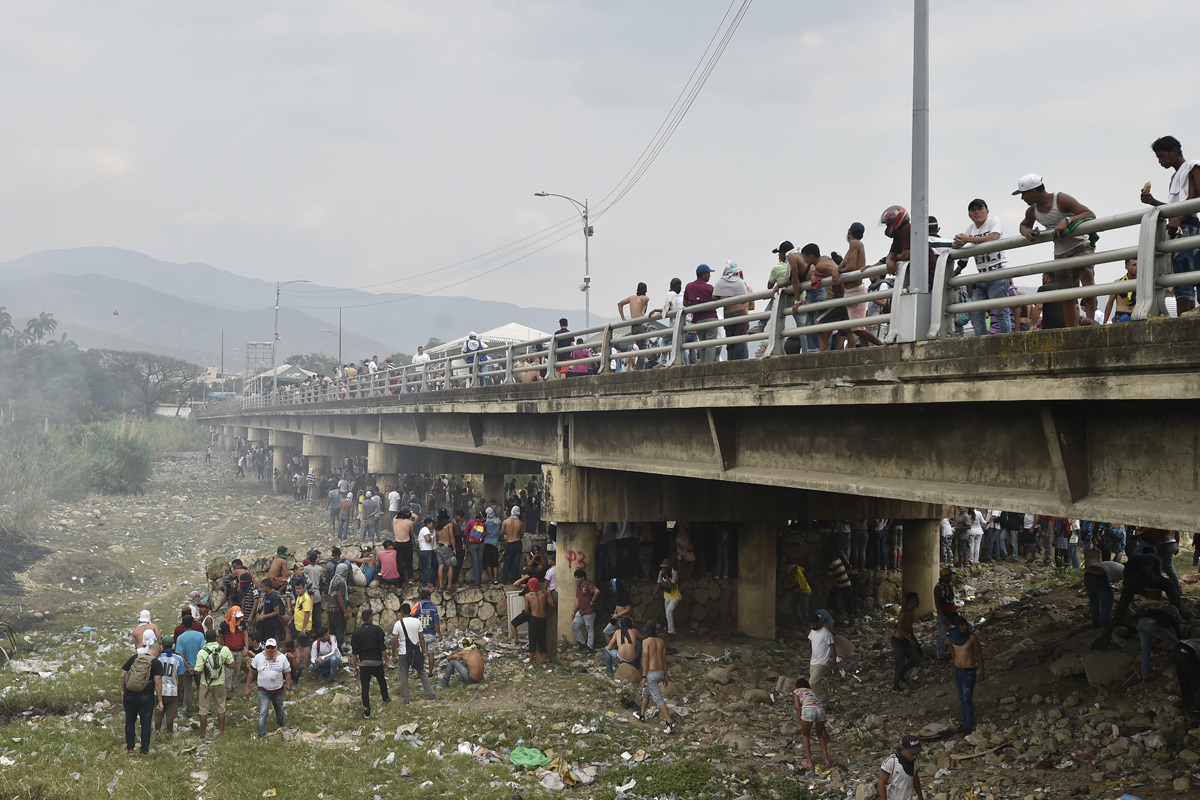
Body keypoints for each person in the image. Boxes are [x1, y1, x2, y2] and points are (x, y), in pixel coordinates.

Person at [1016, 174, 1097, 328]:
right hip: (1061, 252)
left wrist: (1067, 220)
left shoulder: (1060, 199)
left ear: (1033, 191)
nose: (1022, 198)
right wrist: (1027, 232)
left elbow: (1089, 214)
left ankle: (1090, 318)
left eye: (1023, 194)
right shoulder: (1032, 211)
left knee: (1087, 274)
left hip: (1081, 244)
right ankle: (1070, 328)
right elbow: (1023, 225)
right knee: (1066, 292)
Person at [1142, 136, 1200, 314]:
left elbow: (1195, 200)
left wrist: (1179, 217)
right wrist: (1153, 202)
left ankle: (1186, 319)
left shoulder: (1193, 166)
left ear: (1174, 151)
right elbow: (1176, 207)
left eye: (1162, 156)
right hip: (1180, 227)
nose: (1160, 161)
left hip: (1189, 226)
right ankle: (1187, 317)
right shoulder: (1176, 175)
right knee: (1182, 279)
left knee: (1187, 278)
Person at [953, 199, 1011, 335]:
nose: (977, 212)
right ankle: (982, 342)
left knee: (1001, 311)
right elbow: (966, 252)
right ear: (969, 214)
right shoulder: (970, 229)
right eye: (973, 210)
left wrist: (968, 239)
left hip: (999, 273)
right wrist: (957, 247)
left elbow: (994, 237)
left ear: (987, 211)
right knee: (975, 311)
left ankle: (1007, 342)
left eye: (980, 208)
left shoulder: (994, 221)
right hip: (982, 276)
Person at [121, 641, 164, 755]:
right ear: (157, 652)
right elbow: (158, 683)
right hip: (146, 697)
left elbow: (122, 675)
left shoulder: (135, 658)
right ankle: (144, 751)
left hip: (129, 695)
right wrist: (160, 701)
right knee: (146, 724)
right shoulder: (156, 663)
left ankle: (130, 748)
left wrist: (123, 691)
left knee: (130, 722)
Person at [391, 602, 438, 704]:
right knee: (422, 672)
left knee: (404, 674)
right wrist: (424, 651)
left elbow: (395, 642)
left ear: (402, 612)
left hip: (403, 652)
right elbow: (421, 638)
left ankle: (406, 699)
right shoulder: (417, 622)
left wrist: (393, 655)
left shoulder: (398, 624)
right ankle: (431, 694)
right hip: (416, 651)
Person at [634, 621, 676, 733]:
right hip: (660, 672)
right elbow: (664, 660)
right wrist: (665, 676)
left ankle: (670, 723)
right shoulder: (661, 641)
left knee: (658, 699)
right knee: (646, 693)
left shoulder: (646, 642)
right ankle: (642, 714)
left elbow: (646, 659)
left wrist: (644, 676)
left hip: (651, 673)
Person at [245, 637, 292, 738]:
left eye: (272, 648)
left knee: (279, 709)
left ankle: (282, 726)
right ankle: (261, 734)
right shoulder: (259, 657)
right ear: (265, 647)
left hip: (278, 690)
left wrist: (288, 689)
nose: (270, 650)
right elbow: (251, 672)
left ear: (276, 647)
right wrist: (247, 687)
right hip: (264, 691)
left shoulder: (282, 658)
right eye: (268, 647)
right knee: (263, 711)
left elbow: (287, 673)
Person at [947, 615, 984, 734]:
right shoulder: (952, 637)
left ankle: (969, 724)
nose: (964, 627)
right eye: (961, 625)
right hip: (958, 671)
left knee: (967, 698)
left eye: (965, 625)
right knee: (962, 698)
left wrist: (982, 670)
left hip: (969, 671)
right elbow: (951, 649)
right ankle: (965, 722)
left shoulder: (971, 637)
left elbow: (978, 653)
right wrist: (955, 659)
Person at [194, 629, 234, 738]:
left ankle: (203, 734)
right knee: (221, 707)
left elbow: (198, 671)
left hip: (205, 684)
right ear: (216, 637)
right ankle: (222, 732)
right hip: (220, 682)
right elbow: (232, 665)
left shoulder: (202, 652)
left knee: (203, 709)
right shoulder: (224, 649)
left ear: (205, 639)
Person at [350, 608, 389, 719]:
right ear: (371, 618)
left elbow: (354, 652)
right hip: (376, 662)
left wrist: (354, 666)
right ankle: (385, 698)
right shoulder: (377, 630)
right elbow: (382, 647)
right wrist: (386, 660)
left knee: (365, 688)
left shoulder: (357, 632)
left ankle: (367, 711)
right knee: (381, 681)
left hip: (364, 663)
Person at [712, 262, 754, 360]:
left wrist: (724, 298)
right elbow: (744, 299)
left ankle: (730, 361)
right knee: (740, 341)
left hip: (728, 314)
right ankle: (738, 362)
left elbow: (714, 297)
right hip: (740, 313)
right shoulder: (739, 282)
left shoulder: (720, 282)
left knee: (730, 341)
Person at [683, 264, 719, 363]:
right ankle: (708, 367)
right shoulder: (710, 287)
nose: (709, 276)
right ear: (703, 275)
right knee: (710, 346)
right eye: (708, 274)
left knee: (702, 345)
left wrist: (694, 304)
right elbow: (716, 301)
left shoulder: (689, 286)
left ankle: (702, 366)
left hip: (698, 320)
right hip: (711, 318)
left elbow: (685, 303)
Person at [792, 677, 830, 769]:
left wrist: (801, 721)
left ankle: (809, 761)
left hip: (808, 710)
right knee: (820, 734)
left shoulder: (797, 691)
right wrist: (825, 732)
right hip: (820, 708)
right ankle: (827, 760)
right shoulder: (812, 691)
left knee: (805, 735)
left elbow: (797, 707)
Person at [152, 635, 186, 736]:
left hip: (159, 690)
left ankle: (157, 732)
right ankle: (170, 733)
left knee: (158, 714)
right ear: (172, 645)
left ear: (162, 645)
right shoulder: (178, 659)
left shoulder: (158, 658)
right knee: (170, 715)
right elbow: (180, 676)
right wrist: (181, 689)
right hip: (172, 690)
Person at [891, 592, 923, 692]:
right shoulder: (904, 612)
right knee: (900, 663)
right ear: (911, 602)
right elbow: (899, 628)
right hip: (898, 641)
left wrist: (913, 638)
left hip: (906, 640)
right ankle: (895, 686)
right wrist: (910, 639)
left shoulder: (913, 612)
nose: (918, 602)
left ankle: (901, 675)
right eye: (916, 600)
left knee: (916, 659)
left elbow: (909, 626)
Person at [877, 734, 925, 800]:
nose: (915, 756)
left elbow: (915, 779)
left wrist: (920, 797)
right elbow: (881, 782)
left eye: (917, 753)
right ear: (903, 749)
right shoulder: (891, 762)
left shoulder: (915, 762)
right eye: (912, 754)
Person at [1083, 559, 1124, 628]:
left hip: (1087, 574)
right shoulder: (1125, 571)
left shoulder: (1119, 566)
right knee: (1108, 599)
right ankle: (1105, 622)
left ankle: (1095, 621)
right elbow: (1127, 589)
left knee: (1094, 600)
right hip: (1099, 576)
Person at [524, 577, 555, 665]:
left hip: (534, 619)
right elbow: (552, 605)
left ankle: (531, 663)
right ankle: (544, 662)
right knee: (542, 641)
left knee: (532, 641)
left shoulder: (528, 596)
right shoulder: (544, 594)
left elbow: (526, 610)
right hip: (543, 620)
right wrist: (549, 595)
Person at [806, 613, 837, 695]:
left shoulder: (827, 633)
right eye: (810, 625)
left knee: (812, 683)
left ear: (818, 622)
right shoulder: (812, 631)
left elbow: (833, 649)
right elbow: (810, 642)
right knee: (815, 684)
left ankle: (823, 698)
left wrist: (834, 663)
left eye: (813, 625)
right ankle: (818, 701)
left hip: (822, 663)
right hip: (813, 662)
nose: (812, 627)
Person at [571, 568, 600, 652]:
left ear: (582, 577)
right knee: (574, 627)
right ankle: (582, 643)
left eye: (578, 577)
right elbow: (577, 600)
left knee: (589, 629)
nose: (576, 579)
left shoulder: (588, 585)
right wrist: (573, 611)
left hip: (589, 612)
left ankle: (590, 647)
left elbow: (597, 591)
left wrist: (592, 601)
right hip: (580, 611)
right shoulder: (579, 587)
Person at [414, 589, 442, 676]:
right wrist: (439, 634)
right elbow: (436, 623)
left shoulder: (417, 608)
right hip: (431, 634)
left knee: (420, 654)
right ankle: (430, 672)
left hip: (420, 635)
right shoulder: (433, 609)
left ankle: (419, 673)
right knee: (431, 653)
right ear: (429, 597)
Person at [653, 559, 682, 636]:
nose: (663, 569)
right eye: (662, 567)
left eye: (665, 567)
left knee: (669, 612)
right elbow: (658, 584)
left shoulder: (674, 573)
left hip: (675, 596)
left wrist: (666, 575)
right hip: (667, 596)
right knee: (667, 614)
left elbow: (670, 585)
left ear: (669, 566)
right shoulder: (660, 573)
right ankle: (670, 629)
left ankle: (671, 632)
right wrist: (653, 595)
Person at [933, 568, 957, 660]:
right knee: (942, 635)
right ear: (944, 576)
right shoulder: (939, 588)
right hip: (944, 613)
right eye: (949, 576)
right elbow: (937, 603)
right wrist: (942, 616)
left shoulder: (948, 585)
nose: (951, 577)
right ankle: (940, 655)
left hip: (952, 611)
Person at [1104, 259, 1138, 324]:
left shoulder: (1142, 283)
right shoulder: (1118, 283)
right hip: (1121, 314)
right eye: (1134, 265)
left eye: (1138, 265)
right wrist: (1105, 322)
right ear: (1126, 267)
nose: (1137, 267)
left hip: (1136, 313)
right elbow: (1110, 303)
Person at [501, 506, 525, 584]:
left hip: (510, 543)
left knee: (507, 562)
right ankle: (514, 580)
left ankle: (504, 580)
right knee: (516, 563)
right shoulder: (521, 523)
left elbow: (501, 533)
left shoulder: (506, 522)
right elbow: (521, 535)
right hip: (518, 543)